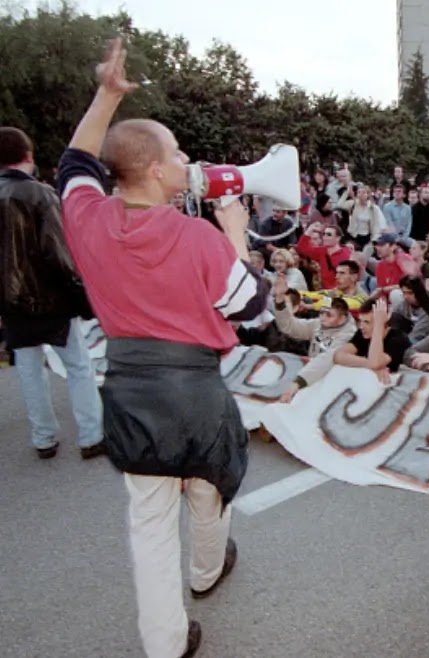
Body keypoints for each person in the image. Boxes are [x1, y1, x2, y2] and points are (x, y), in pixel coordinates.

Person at [58, 40, 269, 657]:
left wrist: (108, 94)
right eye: (178, 154)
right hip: (196, 390)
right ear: (154, 169)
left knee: (149, 522)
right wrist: (237, 237)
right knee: (208, 488)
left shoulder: (87, 218)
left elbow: (74, 162)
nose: (187, 163)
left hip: (130, 387)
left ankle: (166, 643)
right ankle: (207, 571)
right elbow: (252, 309)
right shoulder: (199, 235)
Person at [0, 126, 104, 460]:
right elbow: (58, 252)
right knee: (78, 365)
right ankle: (91, 435)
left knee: (29, 369)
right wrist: (80, 292)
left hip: (10, 301)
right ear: (28, 156)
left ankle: (43, 438)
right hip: (51, 297)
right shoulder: (41, 195)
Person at [272, 276, 357, 402]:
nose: (323, 318)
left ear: (342, 317)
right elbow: (289, 327)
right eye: (321, 312)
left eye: (329, 315)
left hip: (334, 386)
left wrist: (297, 383)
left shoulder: (349, 334)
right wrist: (279, 300)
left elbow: (328, 358)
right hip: (311, 377)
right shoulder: (319, 323)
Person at [334, 297, 411, 383]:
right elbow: (338, 356)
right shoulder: (362, 334)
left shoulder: (398, 338)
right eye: (360, 321)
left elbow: (375, 362)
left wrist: (379, 324)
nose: (361, 326)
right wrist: (368, 363)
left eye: (367, 322)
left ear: (383, 321)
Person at [296, 223, 352, 290]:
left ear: (338, 238)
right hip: (325, 292)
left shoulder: (347, 253)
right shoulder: (321, 251)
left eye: (328, 234)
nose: (325, 237)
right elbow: (301, 248)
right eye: (324, 234)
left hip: (341, 291)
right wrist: (310, 229)